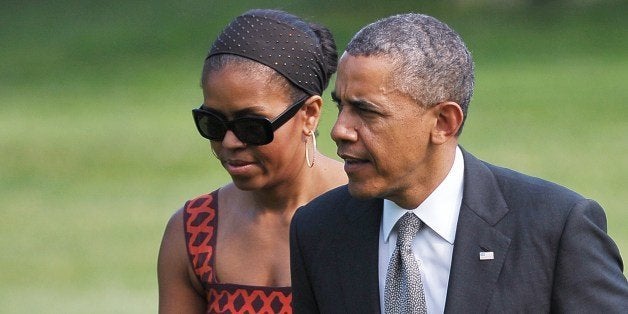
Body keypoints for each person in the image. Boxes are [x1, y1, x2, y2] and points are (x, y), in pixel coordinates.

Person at [290, 13, 628, 313]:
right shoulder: (317, 230)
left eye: (366, 111)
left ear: (443, 123)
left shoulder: (556, 227)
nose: (339, 130)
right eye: (342, 106)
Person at [157, 9, 347, 313]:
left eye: (252, 126)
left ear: (309, 114)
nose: (230, 142)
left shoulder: (373, 214)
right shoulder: (193, 232)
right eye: (213, 124)